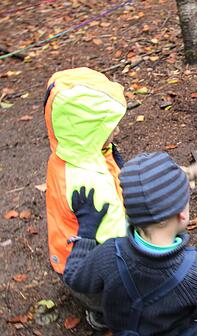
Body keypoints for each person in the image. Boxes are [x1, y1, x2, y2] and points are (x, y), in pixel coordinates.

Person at [63, 152, 197, 336]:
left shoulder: (109, 252)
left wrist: (87, 230)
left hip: (124, 329)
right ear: (181, 215)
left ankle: (100, 320)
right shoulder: (194, 270)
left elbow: (75, 278)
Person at [43, 67, 128, 328]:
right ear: (90, 130)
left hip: (64, 258)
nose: (116, 132)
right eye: (110, 127)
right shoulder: (92, 183)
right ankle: (104, 313)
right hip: (85, 277)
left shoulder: (67, 154)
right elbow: (119, 245)